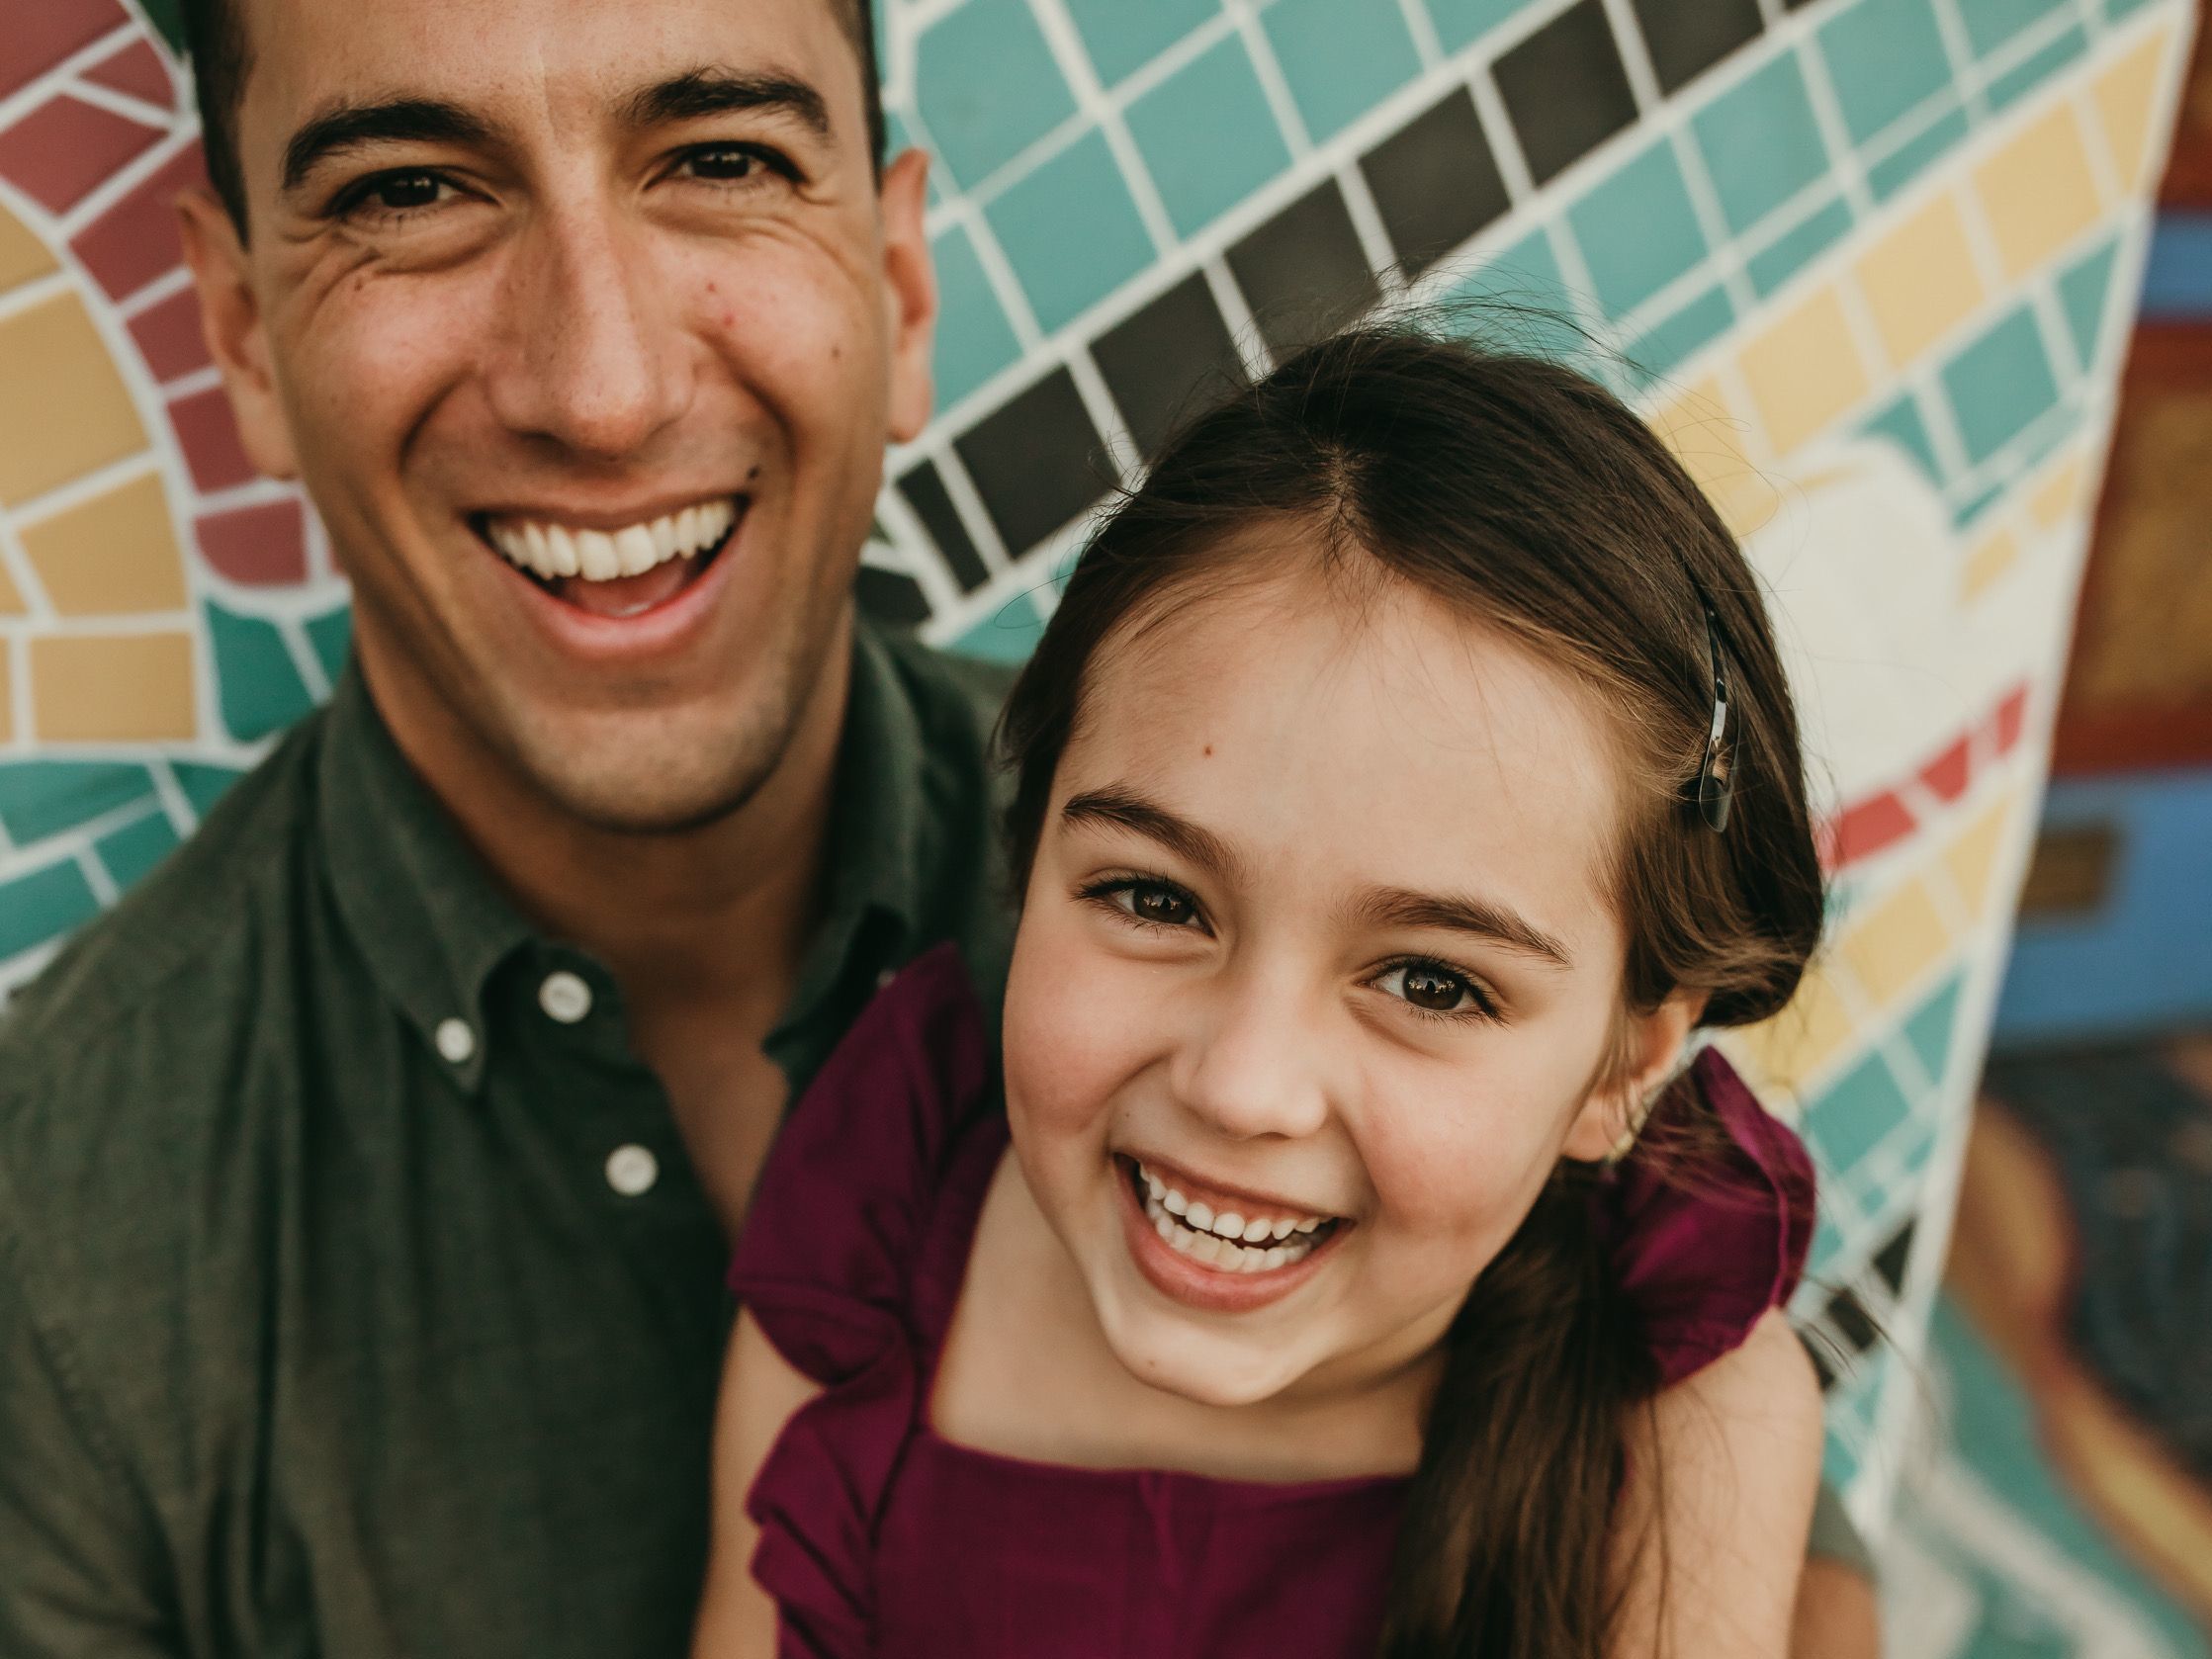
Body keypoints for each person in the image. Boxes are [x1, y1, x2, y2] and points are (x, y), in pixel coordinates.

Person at [0, 0, 1877, 1653]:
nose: (602, 384)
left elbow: (1750, 1504)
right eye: (409, 189)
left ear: (896, 284)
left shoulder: (1313, 825)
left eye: (719, 155)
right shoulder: (67, 1240)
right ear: (241, 332)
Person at [691, 326, 1832, 1657]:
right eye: (1155, 899)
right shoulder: (860, 1277)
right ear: (1031, 855)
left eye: (1432, 981)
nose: (1240, 1084)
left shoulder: (1685, 1423)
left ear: (1622, 1067)